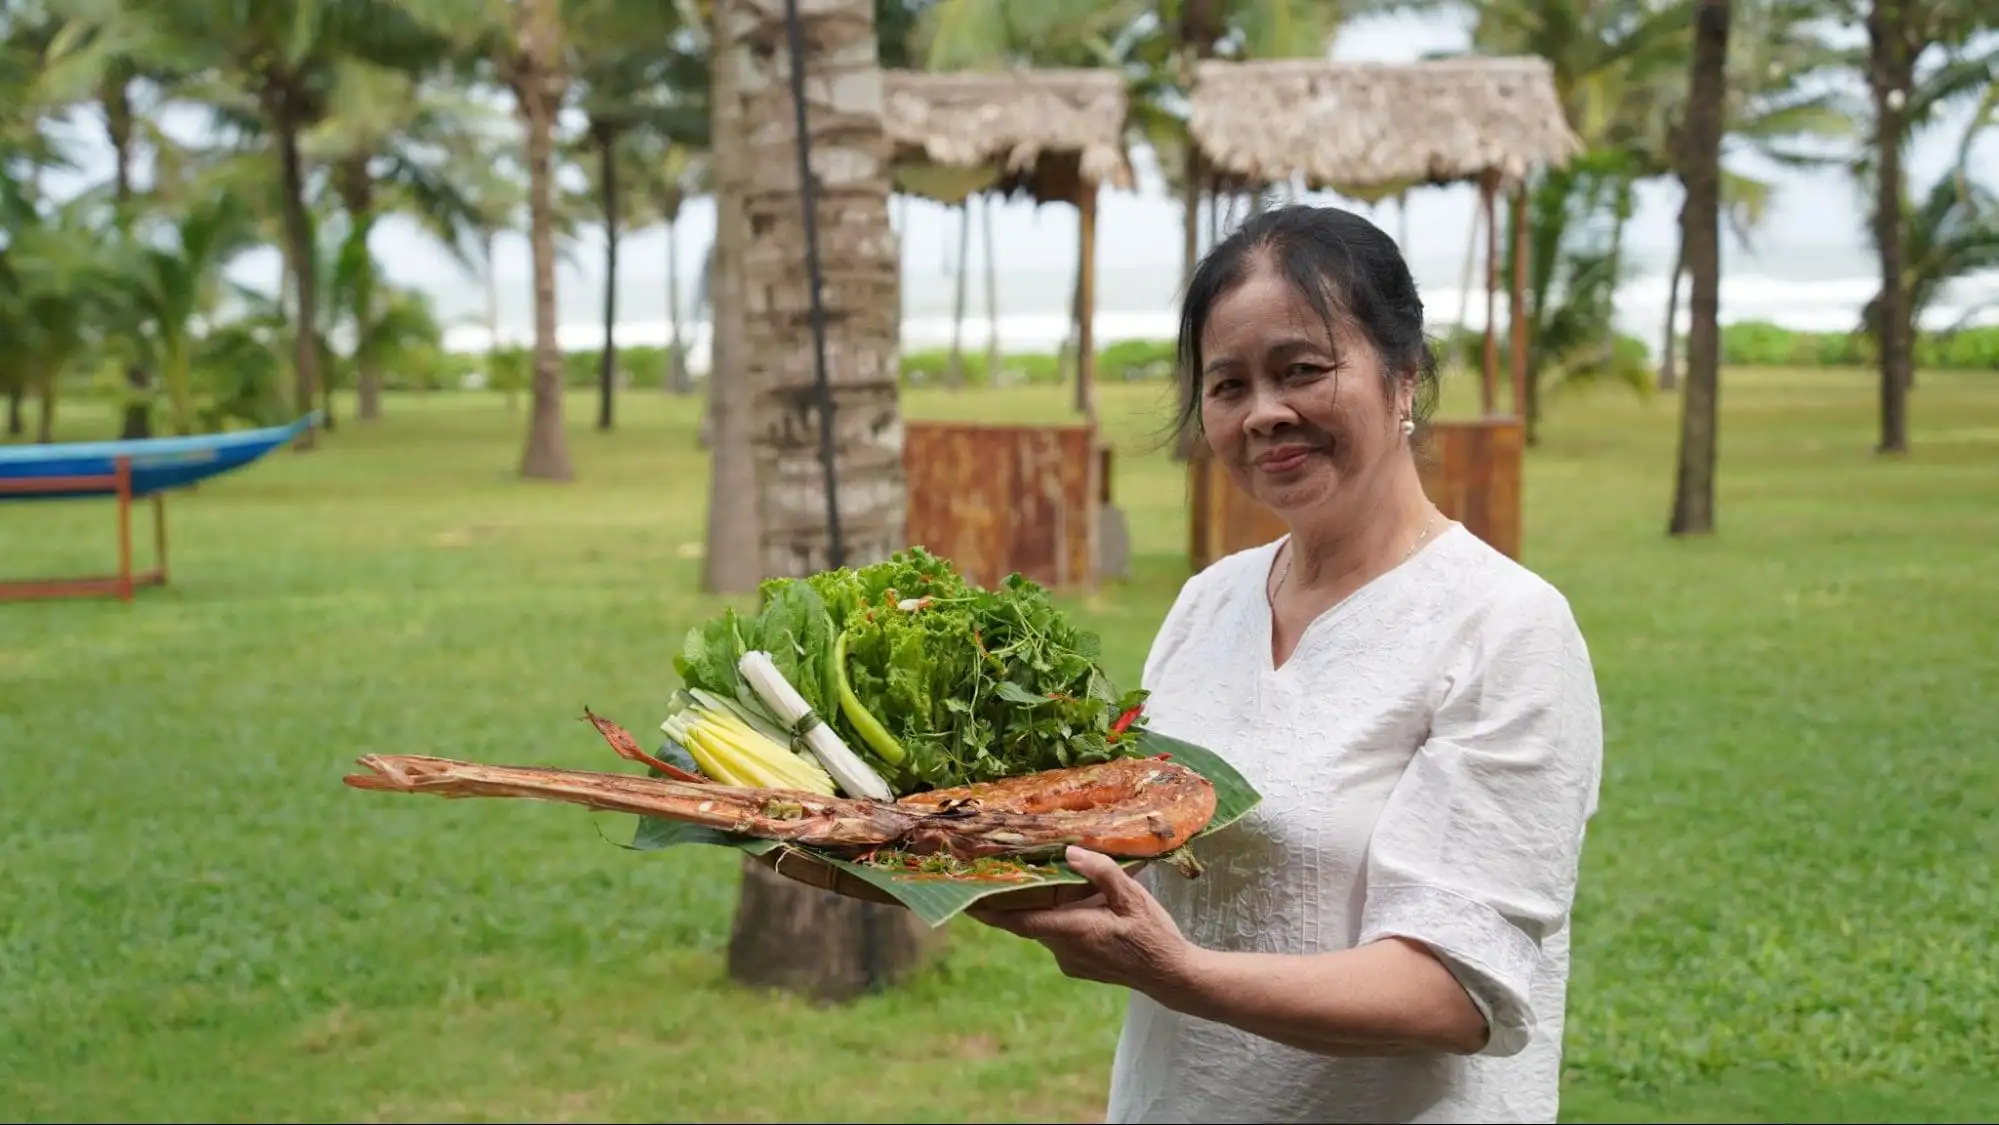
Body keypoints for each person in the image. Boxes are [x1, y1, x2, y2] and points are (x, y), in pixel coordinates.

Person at [970, 203, 1604, 1124]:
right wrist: (921, 833)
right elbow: (1145, 862)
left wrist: (1180, 973)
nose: (1265, 413)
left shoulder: (1503, 627)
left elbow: (1454, 994)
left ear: (1403, 377)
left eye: (1301, 370)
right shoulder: (1208, 604)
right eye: (1227, 386)